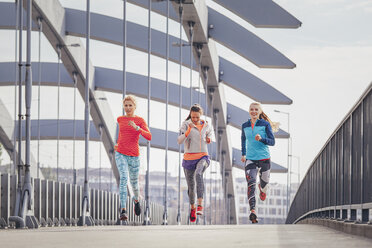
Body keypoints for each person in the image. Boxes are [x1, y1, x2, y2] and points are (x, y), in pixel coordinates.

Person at [115, 95, 152, 221]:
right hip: (120, 153)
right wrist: (118, 144)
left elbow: (149, 136)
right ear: (123, 106)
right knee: (124, 178)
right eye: (126, 105)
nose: (128, 107)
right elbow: (122, 134)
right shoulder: (120, 119)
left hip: (134, 156)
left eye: (130, 105)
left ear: (134, 106)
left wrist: (137, 128)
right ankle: (123, 210)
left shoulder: (140, 120)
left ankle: (136, 200)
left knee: (134, 184)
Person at [241, 102, 278, 224]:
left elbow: (272, 142)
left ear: (260, 111)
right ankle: (253, 211)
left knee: (264, 184)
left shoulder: (265, 124)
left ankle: (262, 189)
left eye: (256, 109)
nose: (254, 111)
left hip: (264, 158)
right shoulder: (245, 125)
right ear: (249, 111)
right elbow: (243, 140)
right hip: (250, 159)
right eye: (251, 109)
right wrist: (243, 154)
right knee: (250, 182)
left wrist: (261, 139)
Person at [177, 104, 212, 223]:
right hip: (188, 159)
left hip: (203, 156)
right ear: (190, 115)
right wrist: (188, 130)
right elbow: (179, 140)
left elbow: (209, 136)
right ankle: (192, 208)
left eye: (197, 117)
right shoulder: (185, 124)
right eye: (193, 117)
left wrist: (208, 139)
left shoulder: (206, 125)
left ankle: (200, 205)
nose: (195, 120)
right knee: (191, 187)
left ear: (200, 115)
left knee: (199, 174)